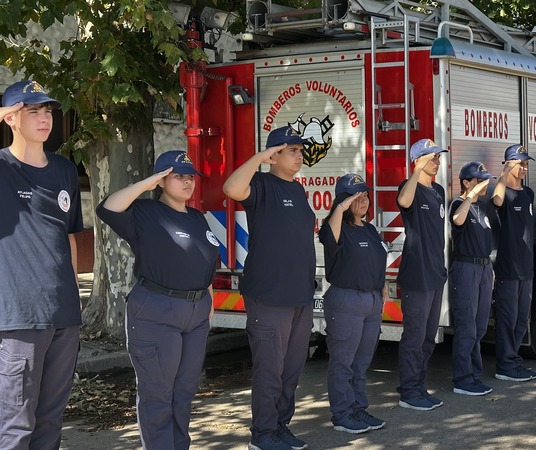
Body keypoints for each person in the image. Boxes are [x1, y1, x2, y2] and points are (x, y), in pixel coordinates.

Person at [96, 150, 216, 450]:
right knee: (158, 394)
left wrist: (208, 300)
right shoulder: (144, 213)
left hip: (196, 312)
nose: (188, 182)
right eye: (179, 176)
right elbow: (107, 208)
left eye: (191, 177)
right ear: (161, 181)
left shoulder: (198, 218)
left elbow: (204, 261)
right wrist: (145, 184)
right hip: (157, 310)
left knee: (185, 391)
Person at [0, 81, 82, 450]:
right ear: (11, 118)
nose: (44, 118)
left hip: (64, 314)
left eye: (47, 110)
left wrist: (76, 295)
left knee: (51, 419)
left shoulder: (64, 170)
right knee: (16, 424)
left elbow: (68, 237)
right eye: (33, 111)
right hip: (20, 317)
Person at [223, 126, 315, 450]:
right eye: (292, 149)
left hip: (299, 296)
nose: (299, 154)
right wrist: (260, 159)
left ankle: (280, 426)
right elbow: (231, 188)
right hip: (269, 296)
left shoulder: (299, 190)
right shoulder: (261, 185)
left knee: (291, 370)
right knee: (269, 371)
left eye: (300, 150)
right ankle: (262, 436)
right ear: (274, 155)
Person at [318, 174, 387, 434]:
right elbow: (330, 237)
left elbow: (377, 257)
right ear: (343, 201)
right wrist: (340, 208)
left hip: (370, 301)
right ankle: (343, 415)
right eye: (356, 196)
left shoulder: (368, 229)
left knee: (361, 362)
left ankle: (358, 409)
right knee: (343, 362)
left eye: (366, 195)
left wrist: (380, 286)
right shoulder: (335, 226)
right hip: (346, 301)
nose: (363, 200)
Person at [395, 139, 448, 411]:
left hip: (435, 273)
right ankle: (408, 392)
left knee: (428, 337)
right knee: (414, 337)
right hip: (417, 275)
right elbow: (403, 201)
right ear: (418, 161)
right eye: (431, 158)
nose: (437, 161)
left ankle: (419, 386)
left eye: (438, 157)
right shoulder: (409, 187)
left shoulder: (438, 190)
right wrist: (416, 171)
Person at [491, 145, 536, 383]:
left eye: (526, 164)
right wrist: (503, 174)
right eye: (520, 163)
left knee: (521, 319)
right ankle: (505, 365)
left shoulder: (527, 193)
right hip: (508, 268)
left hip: (526, 267)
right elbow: (496, 200)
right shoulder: (503, 192)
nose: (524, 168)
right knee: (507, 318)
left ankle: (513, 359)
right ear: (509, 164)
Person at [449, 161, 495, 396]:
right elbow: (457, 220)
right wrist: (470, 196)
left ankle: (474, 374)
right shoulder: (459, 204)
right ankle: (462, 379)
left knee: (479, 326)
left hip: (484, 268)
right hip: (466, 268)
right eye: (479, 181)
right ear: (466, 183)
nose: (484, 185)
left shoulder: (482, 207)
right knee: (466, 326)